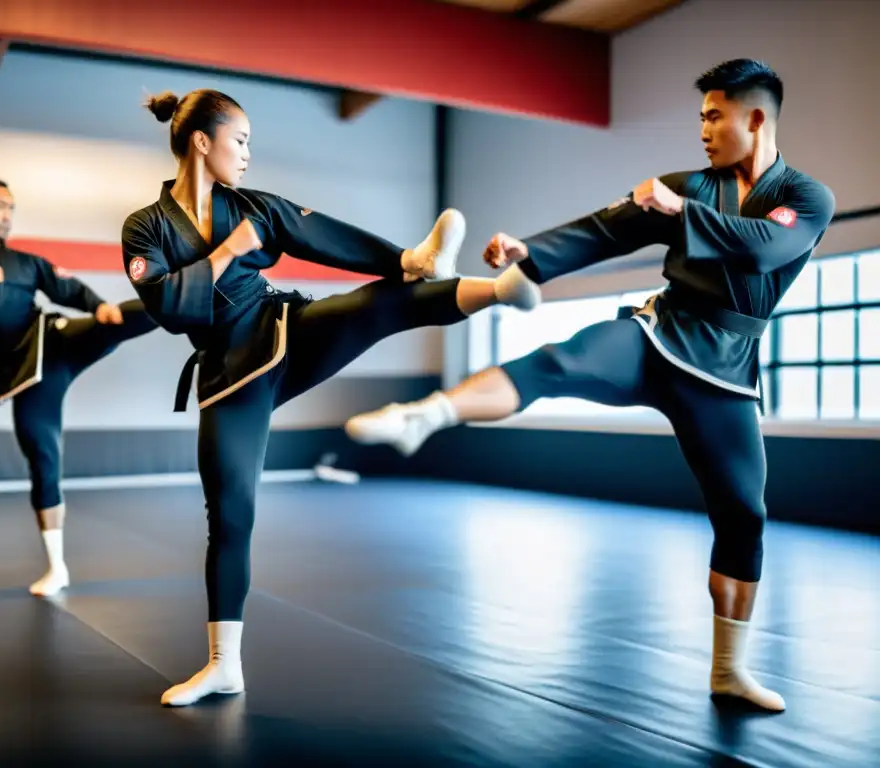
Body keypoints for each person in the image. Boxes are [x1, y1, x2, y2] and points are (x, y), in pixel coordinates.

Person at [345, 59, 836, 713]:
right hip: (657, 336)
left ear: (755, 118)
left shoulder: (807, 198)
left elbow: (763, 249)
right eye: (701, 118)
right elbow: (608, 229)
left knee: (745, 516)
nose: (704, 131)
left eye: (715, 117)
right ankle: (424, 415)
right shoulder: (689, 185)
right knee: (556, 361)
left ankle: (729, 672)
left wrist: (680, 210)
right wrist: (531, 251)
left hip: (726, 372)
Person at [122, 87, 540, 707]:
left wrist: (402, 258)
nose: (246, 155)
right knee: (232, 516)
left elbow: (321, 236)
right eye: (240, 141)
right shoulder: (146, 226)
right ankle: (223, 665)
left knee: (374, 305)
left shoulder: (254, 207)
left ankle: (497, 288)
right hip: (227, 373)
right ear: (202, 142)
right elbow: (167, 307)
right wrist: (225, 255)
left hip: (282, 332)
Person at [0, 178, 160, 597]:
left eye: (12, 208)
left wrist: (98, 305)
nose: (8, 216)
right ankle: (57, 568)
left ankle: (191, 296)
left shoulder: (27, 263)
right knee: (42, 455)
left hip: (53, 340)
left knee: (117, 319)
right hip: (25, 375)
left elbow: (66, 288)